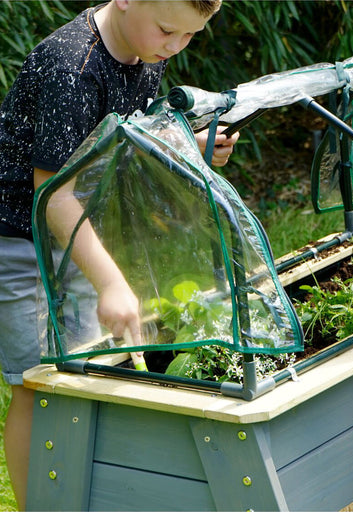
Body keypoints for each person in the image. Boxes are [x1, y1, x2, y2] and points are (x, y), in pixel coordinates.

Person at [0, 1, 240, 509]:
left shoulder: (146, 45)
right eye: (168, 30)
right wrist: (111, 281)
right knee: (34, 384)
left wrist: (191, 147)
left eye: (190, 37)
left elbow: (123, 144)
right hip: (19, 240)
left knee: (91, 368)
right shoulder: (73, 67)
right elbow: (54, 195)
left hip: (83, 231)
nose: (174, 46)